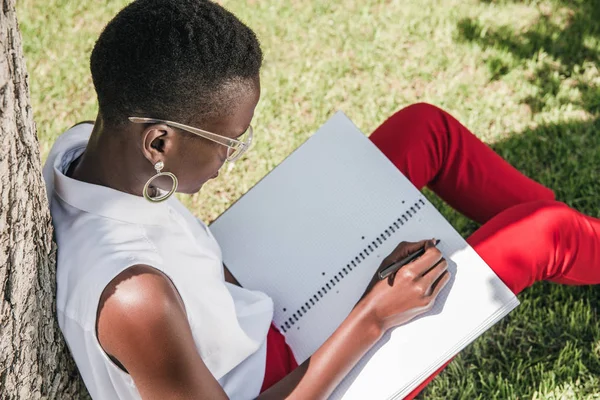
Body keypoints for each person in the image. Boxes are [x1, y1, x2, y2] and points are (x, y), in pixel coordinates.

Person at [42, 0, 600, 399]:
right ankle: (571, 244)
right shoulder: (134, 297)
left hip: (245, 299)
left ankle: (579, 250)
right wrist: (374, 314)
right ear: (159, 141)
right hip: (291, 381)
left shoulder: (82, 153)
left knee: (422, 131)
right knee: (542, 231)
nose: (233, 155)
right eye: (229, 143)